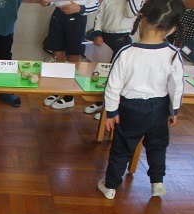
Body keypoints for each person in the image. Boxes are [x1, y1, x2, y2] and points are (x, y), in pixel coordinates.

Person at [97, 0, 186, 200]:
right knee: (157, 146)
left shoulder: (126, 53)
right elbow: (177, 86)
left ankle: (110, 186)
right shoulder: (173, 54)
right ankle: (157, 183)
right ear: (172, 29)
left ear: (142, 20)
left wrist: (111, 112)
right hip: (159, 108)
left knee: (122, 148)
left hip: (131, 109)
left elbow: (112, 86)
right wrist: (174, 111)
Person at [83, 0, 145, 120]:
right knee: (101, 71)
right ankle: (99, 102)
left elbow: (131, 13)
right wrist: (98, 34)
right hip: (105, 37)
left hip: (123, 37)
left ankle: (110, 107)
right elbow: (99, 16)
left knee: (117, 74)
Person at [40, 0, 100, 109]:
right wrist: (47, 2)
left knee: (73, 56)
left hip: (78, 17)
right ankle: (56, 91)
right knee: (56, 52)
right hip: (58, 15)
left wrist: (79, 8)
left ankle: (69, 97)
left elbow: (95, 4)